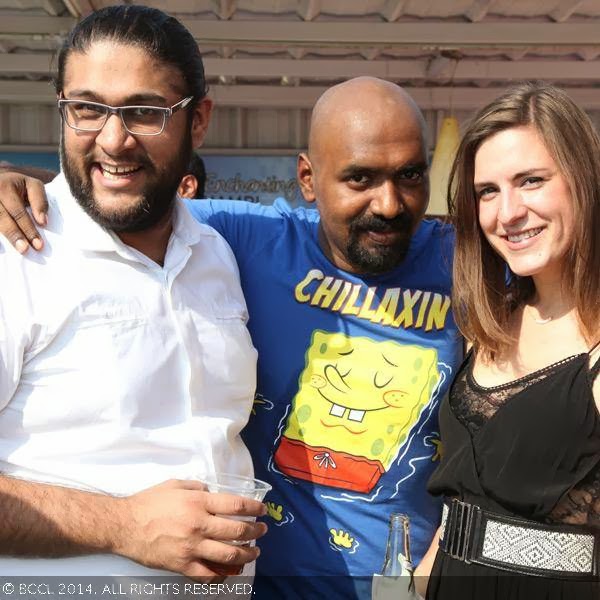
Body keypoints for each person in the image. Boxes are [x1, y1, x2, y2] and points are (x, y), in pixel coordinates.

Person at [0, 77, 463, 597]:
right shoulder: (249, 238)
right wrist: (11, 180)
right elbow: (120, 195)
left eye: (410, 175)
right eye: (359, 179)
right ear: (308, 179)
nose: (389, 204)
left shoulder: (471, 265)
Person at [0, 5, 267, 579]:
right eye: (87, 109)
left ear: (198, 121)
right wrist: (120, 525)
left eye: (145, 112)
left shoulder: (216, 254)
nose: (113, 141)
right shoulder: (14, 256)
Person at [422, 82, 600, 599]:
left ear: (584, 181)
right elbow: (463, 499)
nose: (508, 212)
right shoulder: (492, 321)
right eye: (488, 191)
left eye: (531, 181)